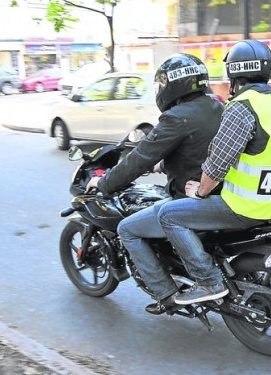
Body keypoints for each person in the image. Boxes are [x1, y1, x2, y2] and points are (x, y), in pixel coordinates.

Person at [157, 39, 271, 305]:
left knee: (169, 215)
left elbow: (218, 164)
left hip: (245, 208)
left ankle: (208, 281)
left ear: (233, 74)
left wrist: (199, 191)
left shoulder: (242, 108)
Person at [84, 53, 224, 314]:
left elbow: (139, 157)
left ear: (172, 85)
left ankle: (165, 294)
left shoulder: (178, 117)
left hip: (192, 201)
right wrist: (164, 164)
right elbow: (199, 150)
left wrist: (104, 182)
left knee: (128, 229)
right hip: (223, 195)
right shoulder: (217, 106)